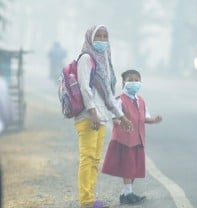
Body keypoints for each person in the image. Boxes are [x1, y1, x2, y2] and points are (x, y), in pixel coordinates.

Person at [74, 25, 132, 208]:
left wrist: (121, 117)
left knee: (95, 159)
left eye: (105, 36)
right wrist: (92, 113)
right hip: (89, 116)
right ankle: (86, 200)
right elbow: (84, 87)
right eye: (98, 35)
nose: (101, 39)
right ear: (90, 38)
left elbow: (107, 94)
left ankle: (90, 198)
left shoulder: (104, 61)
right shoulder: (86, 58)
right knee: (87, 158)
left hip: (102, 116)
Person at [102, 69, 162, 205]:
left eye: (137, 80)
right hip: (125, 140)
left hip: (138, 140)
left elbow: (145, 118)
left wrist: (154, 120)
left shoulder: (140, 100)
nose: (134, 83)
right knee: (128, 167)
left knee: (135, 168)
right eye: (130, 80)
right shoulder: (119, 100)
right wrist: (120, 122)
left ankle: (125, 193)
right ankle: (128, 193)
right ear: (124, 82)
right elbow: (115, 118)